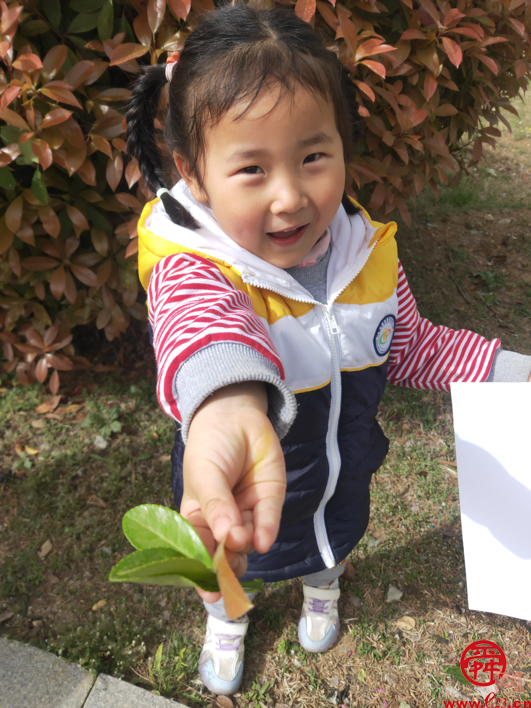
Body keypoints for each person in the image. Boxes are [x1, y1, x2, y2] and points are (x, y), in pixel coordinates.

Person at [126, 5, 531, 696]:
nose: (290, 198)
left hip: (338, 476)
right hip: (234, 482)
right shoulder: (192, 267)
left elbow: (411, 347)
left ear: (343, 146)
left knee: (330, 546)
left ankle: (321, 592)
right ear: (194, 174)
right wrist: (225, 407)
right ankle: (225, 622)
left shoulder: (365, 253)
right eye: (250, 169)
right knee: (217, 560)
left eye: (313, 156)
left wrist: (511, 372)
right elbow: (204, 330)